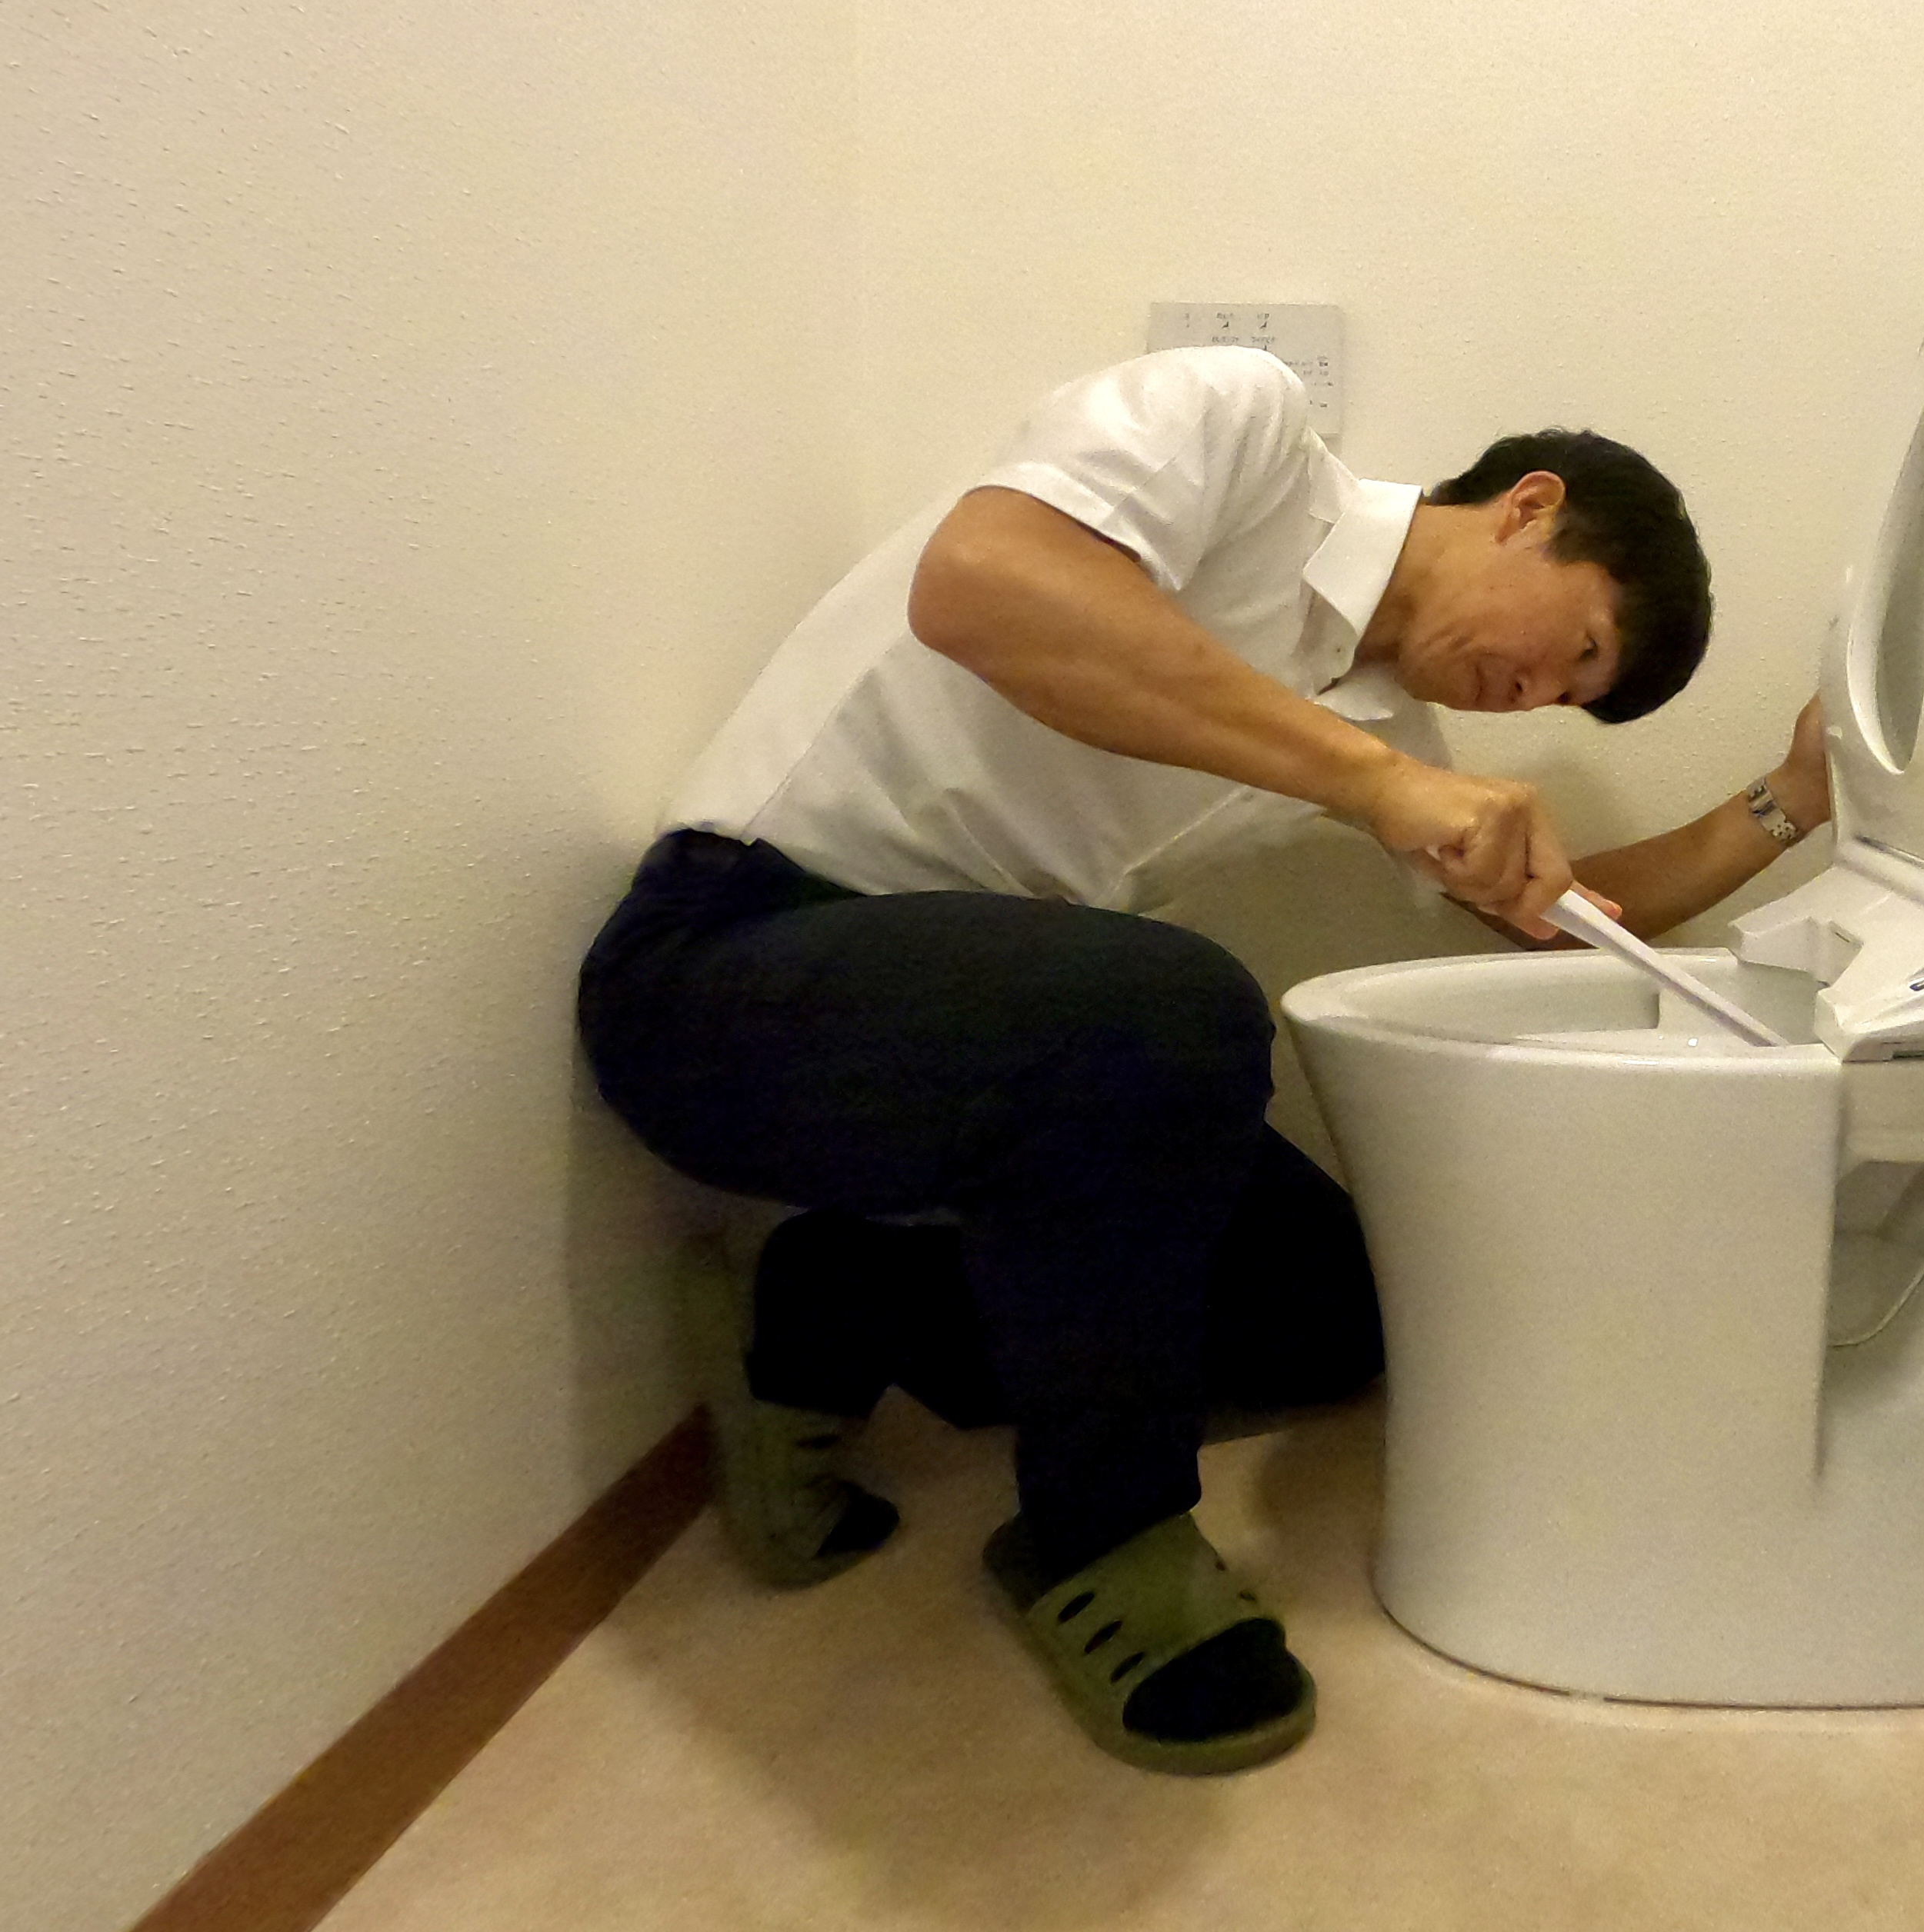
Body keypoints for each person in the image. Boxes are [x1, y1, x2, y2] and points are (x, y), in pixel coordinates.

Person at [575, 345, 1830, 1776]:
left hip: (969, 1036)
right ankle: (1099, 1537)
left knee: (1332, 1306)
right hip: (721, 968)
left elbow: (1564, 920)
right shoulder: (1246, 427)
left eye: (1564, 700)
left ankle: (829, 1304)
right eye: (1579, 649)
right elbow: (979, 583)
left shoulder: (1385, 731)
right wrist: (1375, 785)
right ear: (1530, 508)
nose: (1534, 691)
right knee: (1178, 1009)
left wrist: (1794, 799)